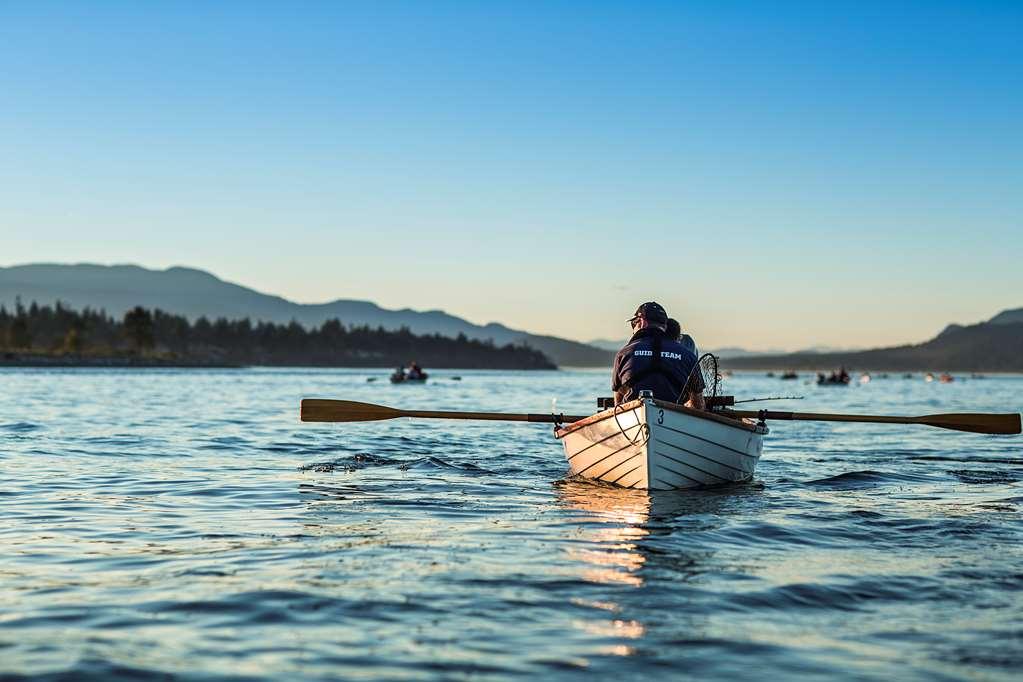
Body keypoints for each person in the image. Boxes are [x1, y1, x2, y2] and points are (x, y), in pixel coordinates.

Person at [612, 302, 704, 409]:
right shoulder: (688, 355)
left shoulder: (623, 353)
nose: (633, 329)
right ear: (665, 325)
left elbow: (618, 404)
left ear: (642, 322)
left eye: (634, 323)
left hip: (633, 418)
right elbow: (698, 405)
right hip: (675, 416)